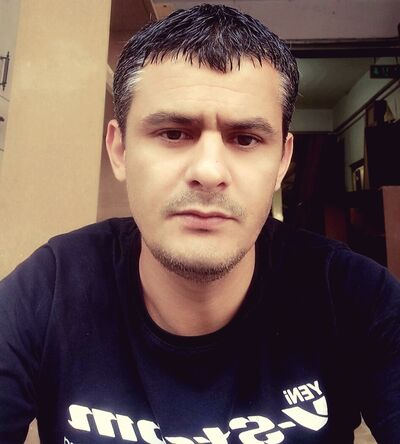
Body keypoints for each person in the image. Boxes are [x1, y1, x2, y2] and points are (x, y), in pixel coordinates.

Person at [0, 4, 399, 443]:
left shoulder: (354, 295)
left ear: (283, 161)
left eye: (245, 138)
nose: (209, 171)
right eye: (174, 133)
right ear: (120, 150)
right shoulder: (50, 288)